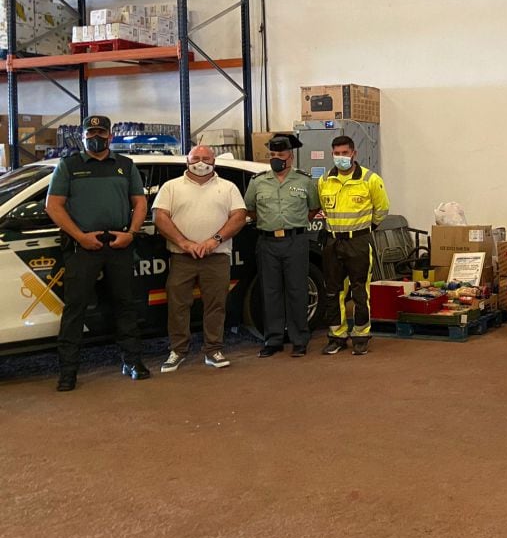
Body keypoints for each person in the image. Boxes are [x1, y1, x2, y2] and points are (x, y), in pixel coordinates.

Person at [44, 115, 149, 391]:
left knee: (125, 304)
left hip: (119, 245)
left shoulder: (125, 165)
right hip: (82, 247)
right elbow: (53, 206)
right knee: (75, 309)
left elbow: (140, 202)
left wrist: (131, 233)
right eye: (91, 133)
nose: (96, 137)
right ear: (82, 136)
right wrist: (79, 236)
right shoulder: (68, 166)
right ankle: (68, 372)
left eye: (101, 132)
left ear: (110, 136)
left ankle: (133, 361)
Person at [153, 146, 248, 372]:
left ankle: (213, 349)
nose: (201, 162)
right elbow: (159, 216)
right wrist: (184, 243)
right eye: (196, 158)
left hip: (216, 257)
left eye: (206, 158)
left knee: (216, 305)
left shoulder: (227, 187)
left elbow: (239, 216)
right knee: (178, 304)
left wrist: (214, 240)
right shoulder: (171, 187)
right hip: (182, 257)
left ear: (214, 161)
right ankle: (177, 350)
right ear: (187, 160)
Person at [244, 133, 320, 358]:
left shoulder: (304, 181)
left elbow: (313, 208)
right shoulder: (258, 181)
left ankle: (299, 339)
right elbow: (249, 209)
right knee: (270, 291)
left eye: (281, 154)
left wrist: (294, 224)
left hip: (295, 240)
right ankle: (273, 339)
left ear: (291, 157)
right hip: (267, 242)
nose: (276, 158)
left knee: (297, 290)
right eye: (273, 154)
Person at [318, 135, 390, 356]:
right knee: (333, 291)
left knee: (360, 290)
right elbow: (323, 209)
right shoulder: (324, 181)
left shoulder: (370, 179)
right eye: (336, 154)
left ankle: (361, 334)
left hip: (358, 241)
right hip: (333, 242)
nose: (341, 158)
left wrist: (365, 229)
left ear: (353, 154)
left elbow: (382, 209)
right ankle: (337, 335)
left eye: (345, 153)